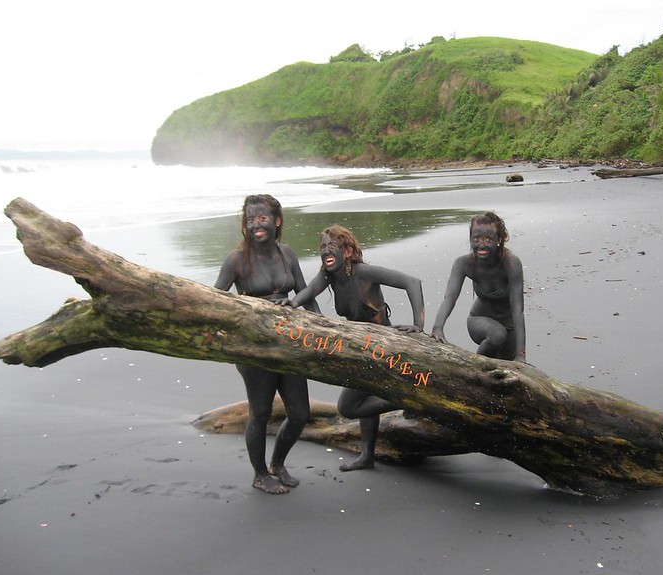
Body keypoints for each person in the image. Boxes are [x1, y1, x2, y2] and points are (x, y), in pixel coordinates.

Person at [280, 225, 425, 471]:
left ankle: (407, 400)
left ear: (347, 251)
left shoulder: (365, 273)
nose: (326, 251)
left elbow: (412, 282)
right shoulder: (329, 276)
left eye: (332, 246)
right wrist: (292, 303)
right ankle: (367, 456)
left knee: (348, 407)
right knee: (361, 398)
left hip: (383, 349)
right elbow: (310, 291)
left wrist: (418, 326)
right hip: (360, 349)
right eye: (323, 247)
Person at [214, 194, 320, 494]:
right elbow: (214, 300)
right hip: (255, 346)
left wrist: (327, 331)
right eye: (250, 220)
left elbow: (306, 294)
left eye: (261, 218)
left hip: (290, 343)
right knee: (260, 413)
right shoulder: (236, 260)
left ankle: (278, 464)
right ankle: (260, 475)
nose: (255, 225)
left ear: (277, 220)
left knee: (300, 414)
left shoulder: (287, 254)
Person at [431, 211, 526, 363]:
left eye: (488, 239)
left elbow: (518, 309)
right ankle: (474, 367)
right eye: (477, 239)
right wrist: (438, 327)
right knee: (497, 335)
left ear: (499, 240)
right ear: (470, 239)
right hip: (479, 320)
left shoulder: (511, 263)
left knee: (506, 369)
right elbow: (450, 297)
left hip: (510, 325)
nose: (482, 244)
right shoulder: (464, 263)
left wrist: (521, 354)